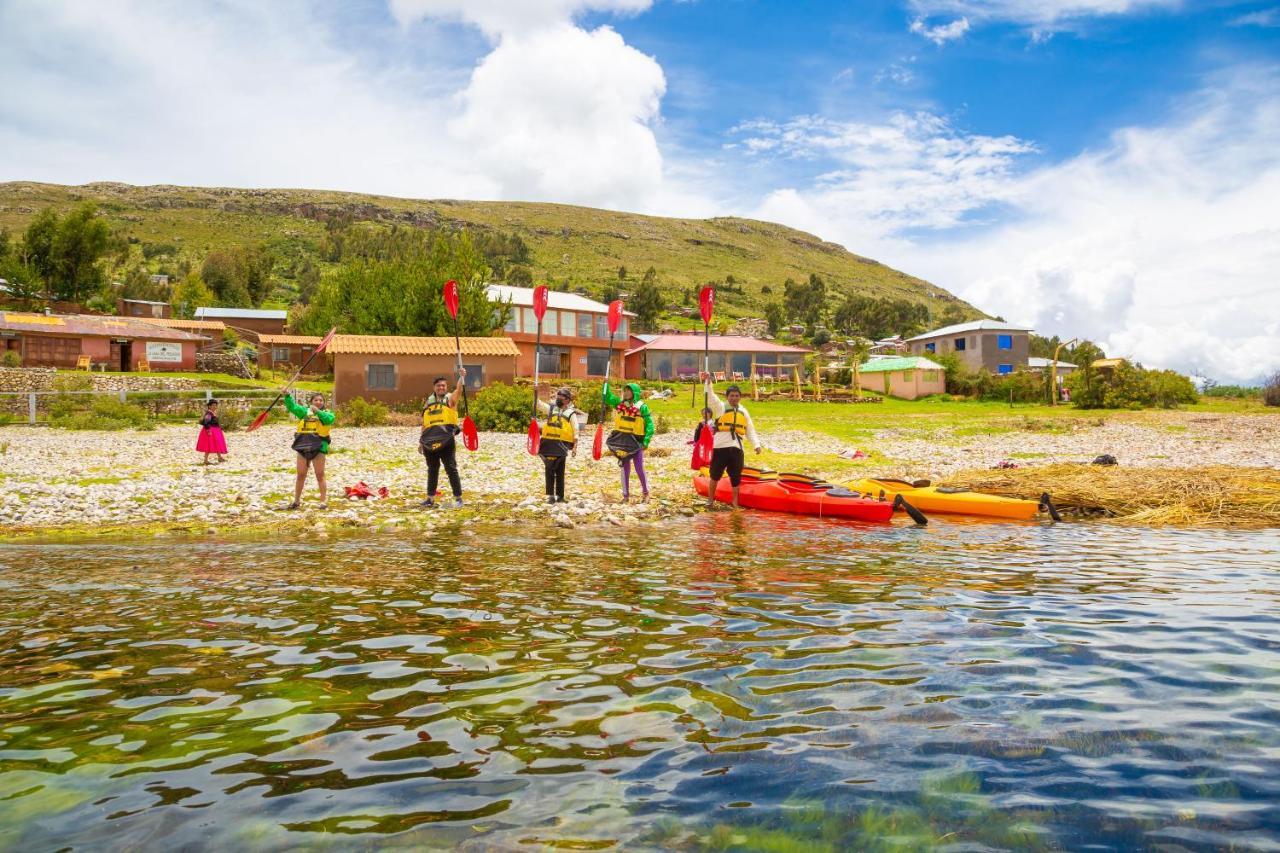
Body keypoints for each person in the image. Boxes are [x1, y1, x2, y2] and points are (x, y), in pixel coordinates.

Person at [702, 373, 762, 510]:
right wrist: (708, 382)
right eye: (731, 395)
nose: (734, 398)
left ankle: (735, 502)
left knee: (736, 476)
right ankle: (710, 500)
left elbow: (749, 430)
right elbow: (711, 398)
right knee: (715, 474)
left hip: (737, 448)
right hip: (720, 447)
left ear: (740, 397)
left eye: (736, 395)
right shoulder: (720, 408)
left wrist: (756, 445)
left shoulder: (744, 411)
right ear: (727, 397)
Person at [419, 369, 466, 508]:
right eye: (439, 385)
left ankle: (458, 498)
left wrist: (461, 377)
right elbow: (425, 423)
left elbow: (459, 390)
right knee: (432, 470)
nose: (441, 387)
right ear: (434, 387)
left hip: (446, 440)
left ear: (446, 387)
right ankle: (430, 498)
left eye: (443, 386)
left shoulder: (451, 399)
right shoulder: (428, 402)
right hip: (429, 442)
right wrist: (420, 442)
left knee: (451, 468)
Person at [602, 381, 654, 502]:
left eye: (628, 390)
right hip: (622, 441)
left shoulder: (642, 407)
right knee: (625, 468)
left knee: (639, 467)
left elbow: (650, 425)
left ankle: (646, 493)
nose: (625, 393)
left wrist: (646, 441)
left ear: (634, 392)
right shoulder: (619, 404)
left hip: (636, 441)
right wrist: (606, 385)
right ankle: (625, 496)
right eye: (624, 390)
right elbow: (607, 397)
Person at [284, 391, 334, 510]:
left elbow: (329, 420)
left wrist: (318, 411)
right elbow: (292, 407)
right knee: (301, 475)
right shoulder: (304, 412)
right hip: (303, 446)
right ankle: (296, 501)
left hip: (319, 447)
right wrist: (287, 396)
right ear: (311, 402)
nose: (318, 402)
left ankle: (323, 501)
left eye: (321, 400)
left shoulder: (328, 414)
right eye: (316, 400)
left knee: (320, 475)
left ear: (324, 403)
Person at [535, 385, 581, 503]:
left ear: (567, 400)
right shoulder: (551, 408)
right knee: (549, 469)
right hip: (548, 443)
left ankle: (560, 496)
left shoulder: (571, 413)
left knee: (560, 471)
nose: (558, 398)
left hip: (562, 445)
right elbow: (538, 405)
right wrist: (535, 393)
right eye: (558, 396)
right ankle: (550, 495)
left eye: (561, 397)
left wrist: (575, 446)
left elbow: (576, 430)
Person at [196, 399, 227, 465]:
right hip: (211, 430)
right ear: (209, 406)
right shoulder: (209, 413)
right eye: (213, 405)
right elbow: (206, 422)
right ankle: (206, 460)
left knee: (217, 443)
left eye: (215, 405)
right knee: (209, 445)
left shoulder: (212, 413)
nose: (214, 407)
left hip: (216, 430)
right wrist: (208, 430)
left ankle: (219, 457)